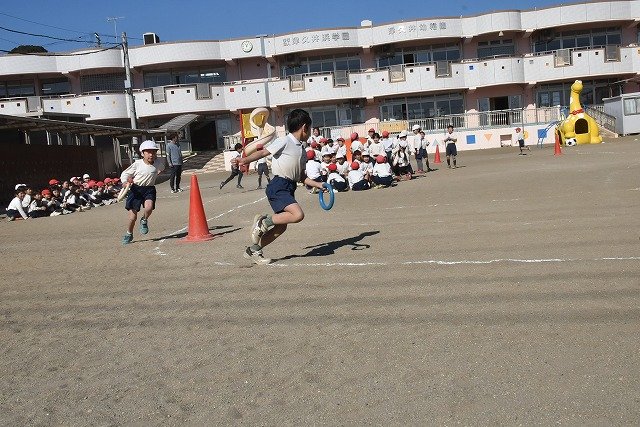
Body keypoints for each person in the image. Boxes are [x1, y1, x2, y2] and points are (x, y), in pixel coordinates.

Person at [238, 108, 326, 265]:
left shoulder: (302, 150)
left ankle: (253, 250)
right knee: (298, 215)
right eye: (310, 128)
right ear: (305, 127)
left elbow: (302, 177)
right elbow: (263, 152)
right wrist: (245, 160)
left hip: (289, 187)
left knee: (281, 227)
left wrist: (318, 184)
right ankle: (263, 222)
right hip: (278, 185)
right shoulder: (285, 141)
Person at [120, 140, 166, 244]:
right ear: (142, 153)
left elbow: (162, 169)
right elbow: (125, 174)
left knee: (149, 207)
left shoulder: (158, 163)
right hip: (136, 190)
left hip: (149, 189)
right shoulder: (137, 164)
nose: (151, 154)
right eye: (148, 152)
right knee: (132, 217)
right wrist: (125, 182)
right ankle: (129, 233)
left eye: (153, 152)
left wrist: (156, 173)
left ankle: (144, 220)